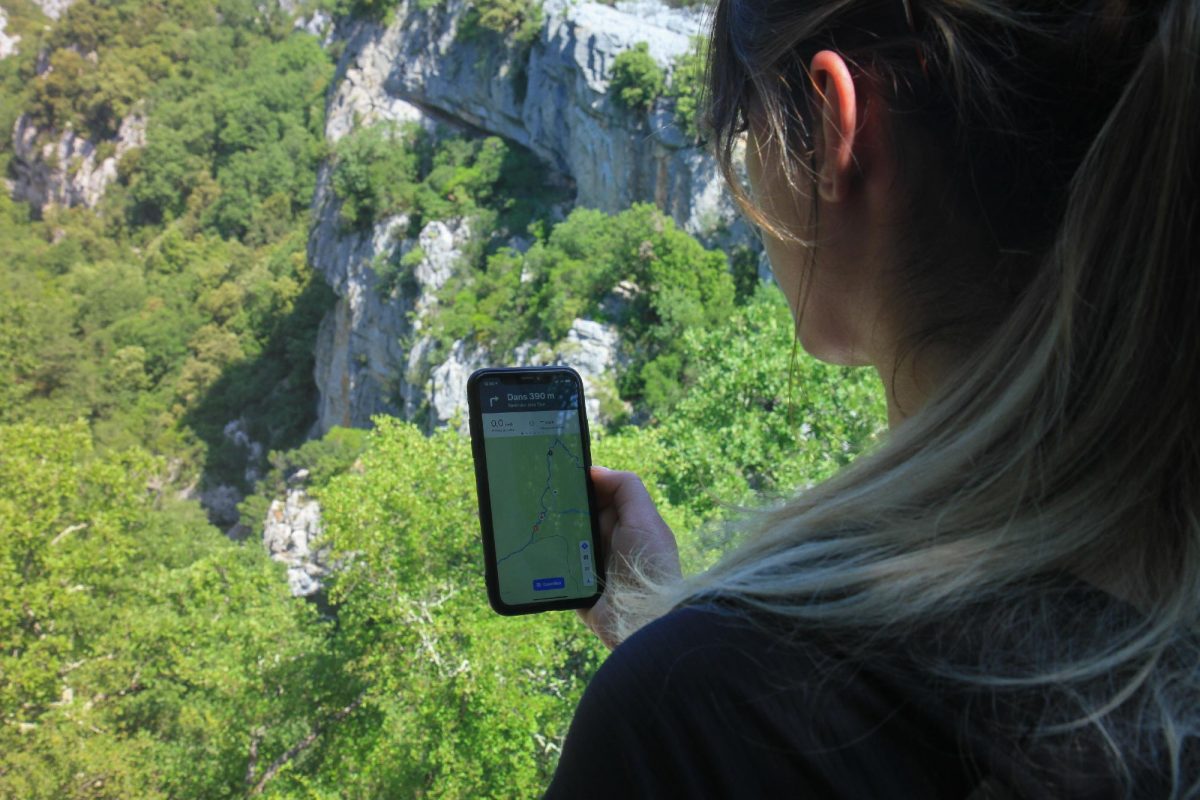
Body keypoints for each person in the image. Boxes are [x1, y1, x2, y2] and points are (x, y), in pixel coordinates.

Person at [546, 0, 1199, 796]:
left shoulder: (702, 720)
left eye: (746, 138)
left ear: (829, 126)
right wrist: (664, 624)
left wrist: (681, 669)